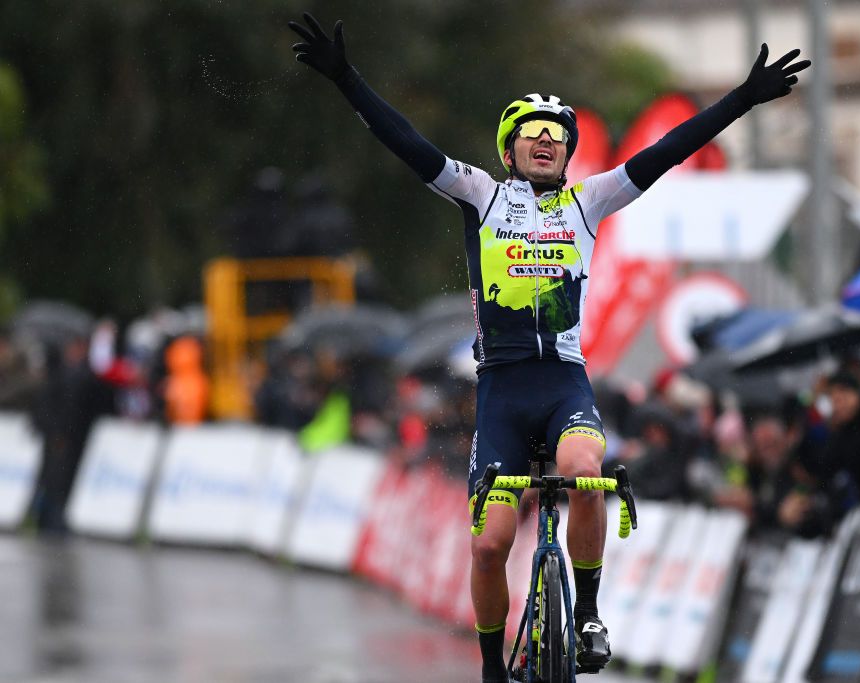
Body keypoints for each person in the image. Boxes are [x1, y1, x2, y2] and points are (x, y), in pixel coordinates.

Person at [288, 13, 810, 681]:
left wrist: (741, 98)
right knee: (489, 546)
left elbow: (671, 151)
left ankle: (587, 612)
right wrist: (347, 80)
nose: (545, 143)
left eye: (557, 136)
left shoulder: (589, 202)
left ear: (568, 152)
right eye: (531, 135)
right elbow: (407, 143)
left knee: (587, 472)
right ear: (509, 150)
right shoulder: (479, 195)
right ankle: (489, 665)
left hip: (564, 383)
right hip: (504, 393)